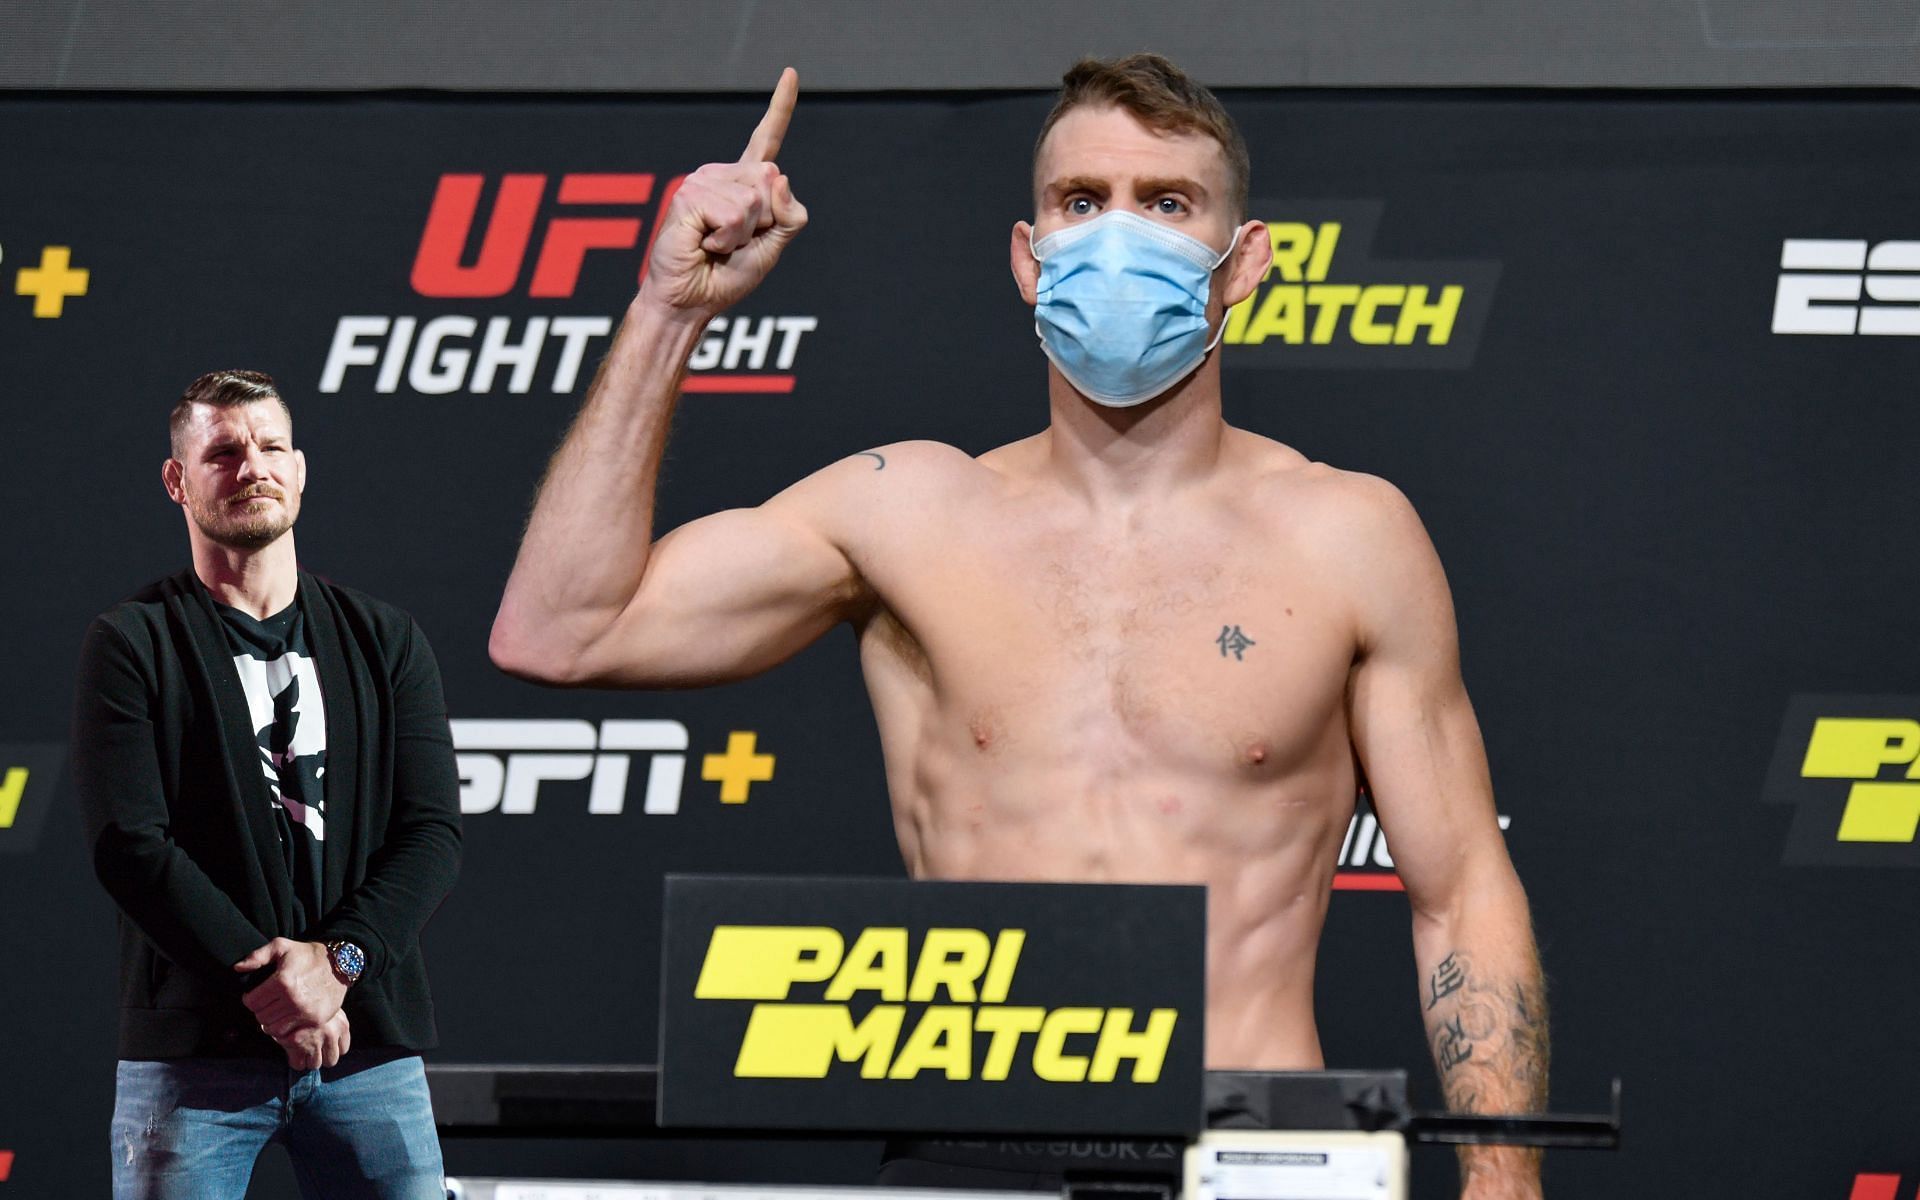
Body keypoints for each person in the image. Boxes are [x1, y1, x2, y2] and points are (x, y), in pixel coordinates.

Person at [491, 56, 1548, 1199]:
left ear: (1244, 264)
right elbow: (560, 630)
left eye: (1169, 203)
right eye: (1082, 202)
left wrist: (1503, 1178)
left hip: (1258, 1146)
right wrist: (668, 308)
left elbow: (1459, 890)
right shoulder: (906, 511)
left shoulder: (1349, 536)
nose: (1119, 236)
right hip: (971, 1148)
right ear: (1026, 252)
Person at [72, 369, 462, 1199]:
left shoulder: (386, 639)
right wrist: (274, 987)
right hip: (194, 1063)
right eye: (223, 452)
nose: (252, 465)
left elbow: (431, 832)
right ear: (178, 480)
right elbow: (131, 846)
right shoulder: (132, 643)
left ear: (299, 468)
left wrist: (339, 966)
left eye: (271, 446)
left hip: (367, 1050)